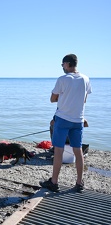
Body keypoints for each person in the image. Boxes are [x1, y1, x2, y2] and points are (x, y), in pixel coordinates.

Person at [40, 54, 92, 193]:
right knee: (78, 150)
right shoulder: (85, 79)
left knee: (59, 150)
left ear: (67, 64)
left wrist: (64, 97)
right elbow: (84, 99)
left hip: (63, 119)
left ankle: (54, 182)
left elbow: (52, 98)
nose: (62, 67)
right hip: (78, 120)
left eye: (62, 64)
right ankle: (79, 183)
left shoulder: (63, 79)